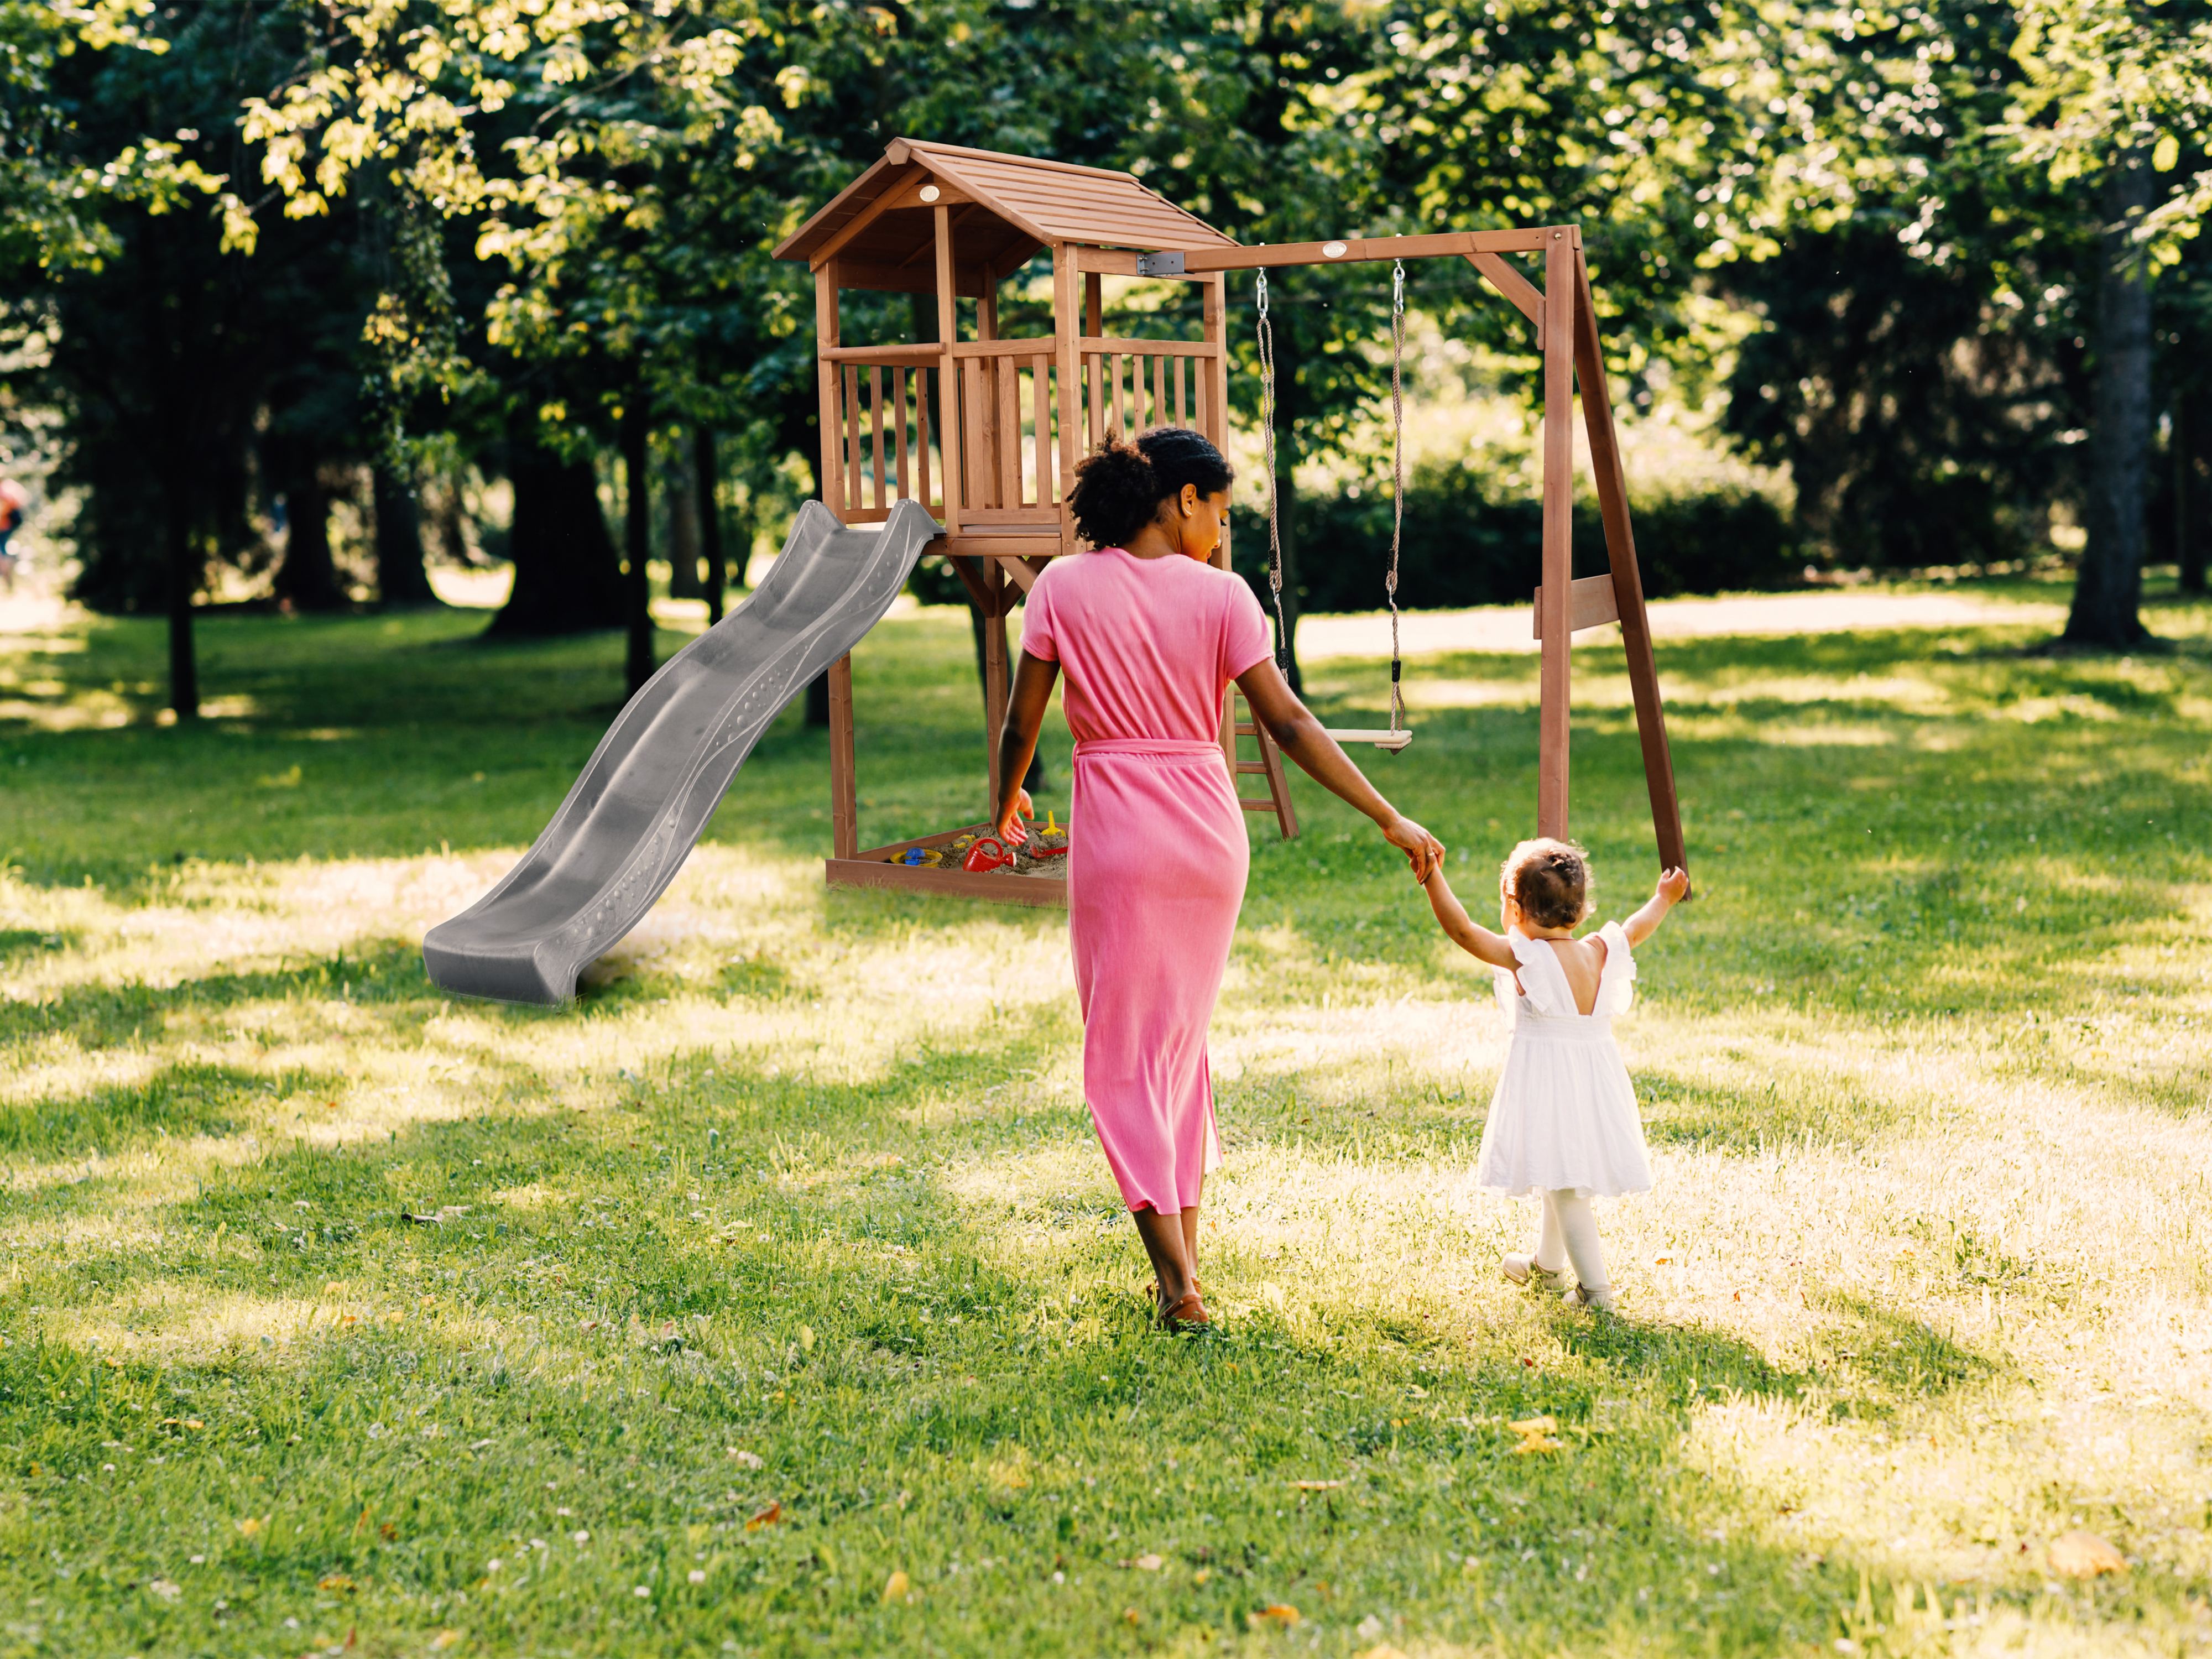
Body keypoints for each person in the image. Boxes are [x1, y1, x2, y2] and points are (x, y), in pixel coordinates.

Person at [993, 427, 1444, 1332]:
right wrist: (1386, 814)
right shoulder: (1224, 598)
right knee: (1175, 1052)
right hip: (1207, 837)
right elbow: (1289, 724)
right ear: (1184, 499)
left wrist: (1002, 807)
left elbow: (1020, 724)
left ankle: (1177, 1286)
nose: (1224, 533)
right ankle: (1186, 1267)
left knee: (1123, 1059)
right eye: (1223, 512)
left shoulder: (1061, 588)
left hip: (1120, 836)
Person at [1419, 838, 1689, 1311]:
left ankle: (1595, 1292)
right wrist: (1663, 899)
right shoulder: (1599, 950)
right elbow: (1636, 927)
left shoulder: (1527, 958)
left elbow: (1462, 931)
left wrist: (1431, 875)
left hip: (1551, 1084)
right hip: (1594, 1081)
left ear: (1515, 908)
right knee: (1556, 1169)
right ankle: (1547, 1267)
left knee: (1565, 1188)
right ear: (1581, 911)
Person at [0, 478, 27, 595]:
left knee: (2, 550)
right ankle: (7, 577)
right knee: (3, 549)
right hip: (10, 523)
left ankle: (6, 575)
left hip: (7, 524)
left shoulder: (4, 491)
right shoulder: (8, 486)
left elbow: (5, 509)